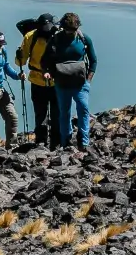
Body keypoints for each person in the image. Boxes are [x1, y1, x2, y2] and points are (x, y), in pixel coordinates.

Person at [42, 12, 98, 151]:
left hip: (81, 84)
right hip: (62, 83)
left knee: (83, 109)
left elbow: (93, 60)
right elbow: (44, 60)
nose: (70, 33)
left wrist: (88, 81)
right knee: (64, 112)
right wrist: (46, 72)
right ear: (62, 27)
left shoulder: (84, 39)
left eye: (73, 30)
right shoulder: (55, 40)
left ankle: (83, 142)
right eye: (68, 30)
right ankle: (65, 142)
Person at [17, 13, 58, 148]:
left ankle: (42, 142)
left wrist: (19, 57)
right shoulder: (55, 35)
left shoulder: (30, 36)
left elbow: (20, 62)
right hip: (52, 81)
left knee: (41, 113)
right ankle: (54, 142)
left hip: (40, 81)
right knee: (53, 113)